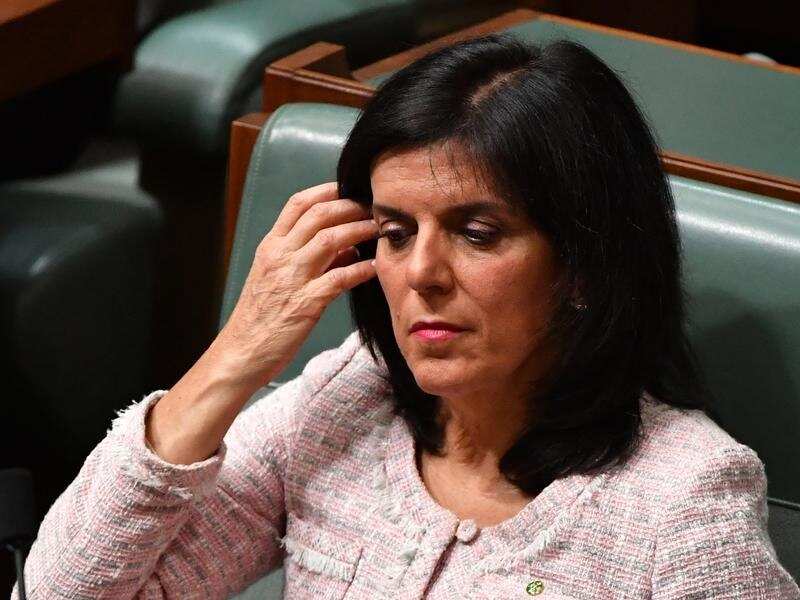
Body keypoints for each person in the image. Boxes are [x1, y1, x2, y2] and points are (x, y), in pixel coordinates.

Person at [13, 35, 799, 599]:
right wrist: (236, 356)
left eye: (477, 233)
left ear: (585, 268)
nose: (421, 273)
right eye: (395, 232)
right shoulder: (346, 399)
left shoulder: (684, 503)